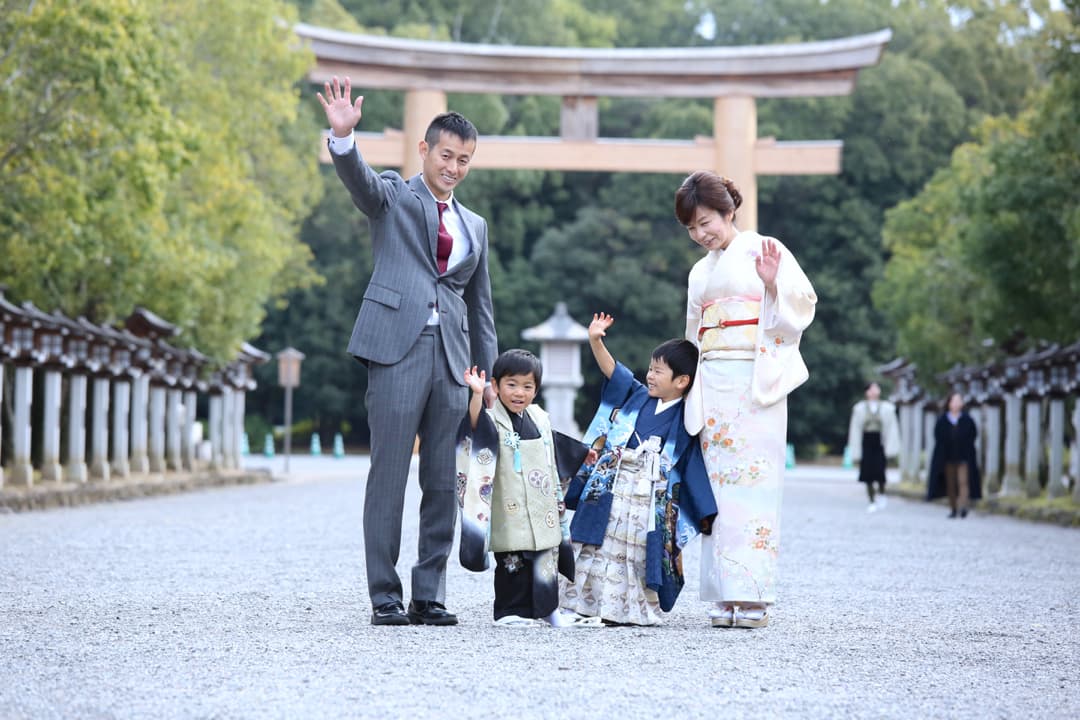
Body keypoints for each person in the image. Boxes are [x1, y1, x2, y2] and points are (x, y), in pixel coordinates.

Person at [317, 77, 498, 626]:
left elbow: (481, 304)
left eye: (465, 159)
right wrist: (344, 140)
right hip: (396, 350)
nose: (454, 167)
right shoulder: (396, 194)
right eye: (447, 155)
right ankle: (384, 594)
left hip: (453, 360)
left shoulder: (476, 225)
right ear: (425, 150)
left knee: (444, 479)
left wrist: (485, 376)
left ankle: (430, 592)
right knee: (390, 474)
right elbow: (362, 185)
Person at [676, 171, 817, 629]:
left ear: (727, 211)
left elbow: (801, 305)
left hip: (755, 380)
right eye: (693, 228)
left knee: (753, 488)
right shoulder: (700, 272)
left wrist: (773, 286)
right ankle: (722, 594)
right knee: (715, 490)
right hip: (712, 381)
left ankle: (752, 596)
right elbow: (694, 333)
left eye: (706, 222)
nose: (701, 234)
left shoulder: (763, 248)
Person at [560, 313, 717, 626]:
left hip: (647, 496)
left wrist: (703, 510)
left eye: (659, 371)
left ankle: (626, 609)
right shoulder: (635, 396)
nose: (650, 376)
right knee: (596, 540)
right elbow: (613, 371)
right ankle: (582, 603)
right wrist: (595, 340)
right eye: (650, 369)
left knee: (635, 551)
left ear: (682, 381)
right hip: (613, 483)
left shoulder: (687, 418)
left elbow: (689, 466)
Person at [455, 350, 594, 627]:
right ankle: (509, 612)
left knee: (545, 559)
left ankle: (547, 609)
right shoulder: (492, 419)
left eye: (527, 386)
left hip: (541, 504)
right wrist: (476, 396)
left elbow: (554, 444)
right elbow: (474, 427)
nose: (519, 392)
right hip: (511, 505)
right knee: (513, 561)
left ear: (536, 389)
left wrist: (582, 453)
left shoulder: (539, 416)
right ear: (495, 385)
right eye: (512, 384)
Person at [847, 382, 901, 512]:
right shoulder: (860, 408)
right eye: (872, 389)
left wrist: (891, 446)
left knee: (880, 470)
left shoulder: (887, 408)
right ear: (867, 392)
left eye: (876, 388)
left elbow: (891, 428)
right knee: (867, 473)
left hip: (880, 442)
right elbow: (855, 429)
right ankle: (871, 500)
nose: (874, 391)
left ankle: (882, 493)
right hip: (866, 441)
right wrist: (855, 449)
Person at [927, 392, 982, 518]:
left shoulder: (967, 420)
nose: (956, 404)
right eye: (954, 401)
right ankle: (953, 508)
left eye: (959, 401)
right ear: (949, 403)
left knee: (963, 482)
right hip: (947, 457)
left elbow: (973, 435)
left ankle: (963, 506)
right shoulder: (942, 420)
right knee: (950, 483)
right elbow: (938, 437)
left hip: (964, 456)